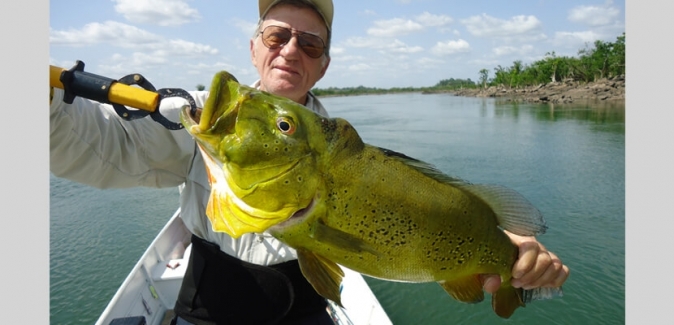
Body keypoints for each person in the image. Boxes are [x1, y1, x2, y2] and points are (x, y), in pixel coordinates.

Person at [50, 0, 570, 324]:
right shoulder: (207, 124)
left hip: (305, 308)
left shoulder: (345, 153)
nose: (289, 50)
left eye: (309, 42)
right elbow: (97, 149)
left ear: (323, 63)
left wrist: (506, 247)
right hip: (208, 307)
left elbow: (432, 215)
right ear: (255, 48)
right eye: (276, 36)